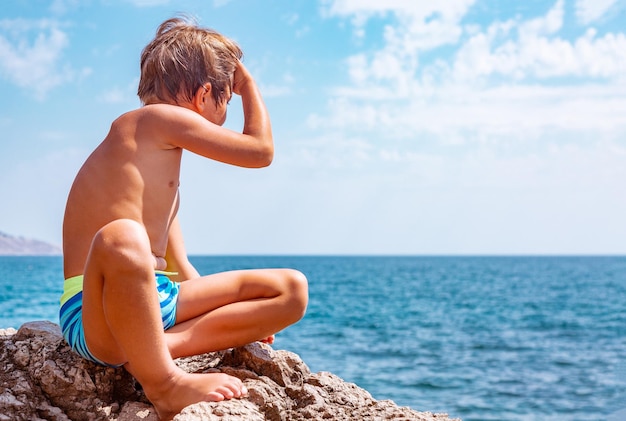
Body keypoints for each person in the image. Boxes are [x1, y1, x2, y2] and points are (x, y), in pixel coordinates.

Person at [59, 16, 308, 421]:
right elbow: (260, 151)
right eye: (226, 101)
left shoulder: (157, 177)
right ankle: (165, 385)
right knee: (124, 237)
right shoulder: (152, 119)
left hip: (157, 303)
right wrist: (249, 86)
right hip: (95, 314)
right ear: (204, 93)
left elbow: (179, 267)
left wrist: (239, 314)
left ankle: (148, 349)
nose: (225, 110)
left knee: (291, 290)